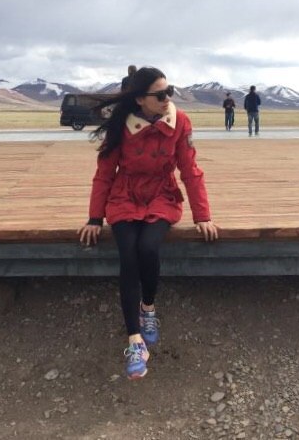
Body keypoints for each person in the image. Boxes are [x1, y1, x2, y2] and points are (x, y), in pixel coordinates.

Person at [78, 66, 218, 380]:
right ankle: (135, 341)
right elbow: (104, 174)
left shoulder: (180, 122)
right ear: (140, 99)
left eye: (170, 91)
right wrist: (94, 217)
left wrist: (203, 216)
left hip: (161, 195)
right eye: (160, 94)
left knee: (149, 247)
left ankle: (148, 308)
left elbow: (190, 170)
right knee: (128, 253)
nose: (168, 99)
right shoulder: (121, 124)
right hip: (125, 195)